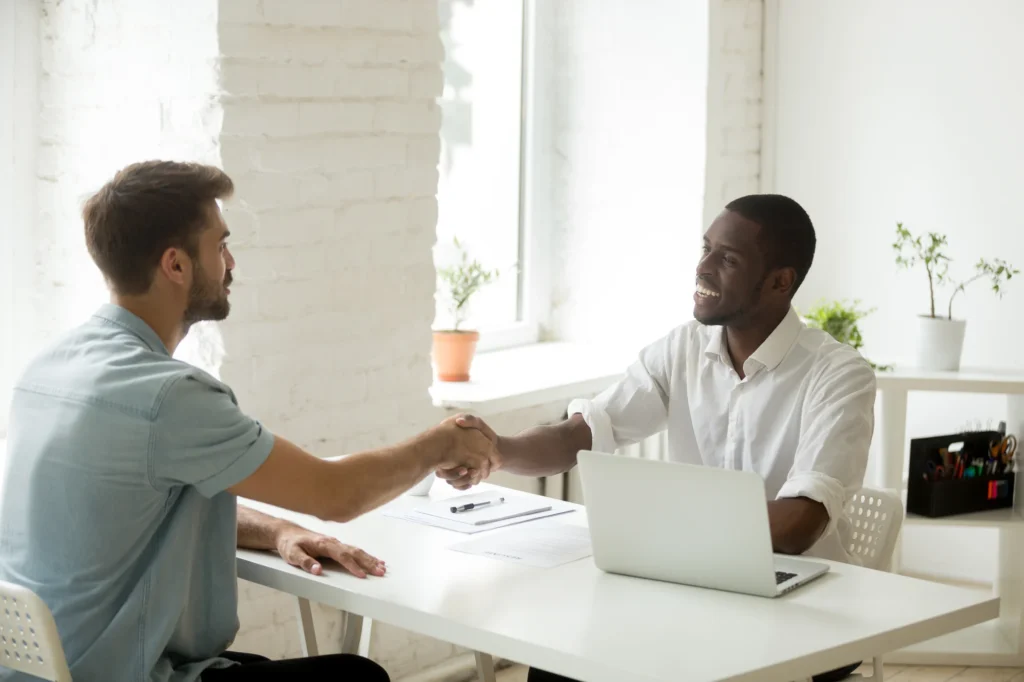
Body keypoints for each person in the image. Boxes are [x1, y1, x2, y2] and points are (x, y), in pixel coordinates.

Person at [0, 161, 500, 682]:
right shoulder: (169, 397)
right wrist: (439, 444)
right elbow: (337, 494)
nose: (231, 262)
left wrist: (278, 529)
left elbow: (128, 514)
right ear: (176, 264)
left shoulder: (47, 370)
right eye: (219, 246)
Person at [443, 195, 876, 682]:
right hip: (694, 590)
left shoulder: (838, 374)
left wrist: (664, 534)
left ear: (780, 281)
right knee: (561, 655)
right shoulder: (682, 349)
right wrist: (497, 451)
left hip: (807, 610)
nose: (703, 267)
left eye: (727, 259)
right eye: (706, 248)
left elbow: (800, 524)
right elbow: (579, 436)